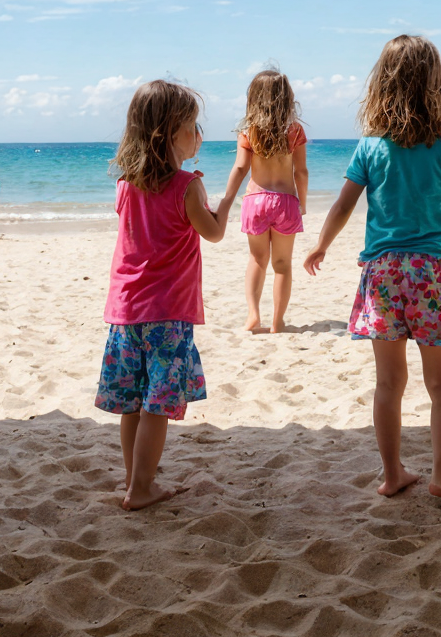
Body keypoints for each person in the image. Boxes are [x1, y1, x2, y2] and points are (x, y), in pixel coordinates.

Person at [303, 35, 441, 500]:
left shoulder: (370, 146)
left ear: (382, 85)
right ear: (436, 85)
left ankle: (392, 474)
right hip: (432, 274)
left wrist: (321, 245)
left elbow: (343, 205)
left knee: (388, 383)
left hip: (383, 274)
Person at [99, 80, 234, 510]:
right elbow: (212, 233)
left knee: (133, 402)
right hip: (168, 315)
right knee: (157, 404)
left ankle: (132, 480)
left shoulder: (125, 185)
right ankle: (142, 488)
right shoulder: (187, 185)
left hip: (126, 311)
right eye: (193, 126)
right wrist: (227, 201)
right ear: (169, 134)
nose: (199, 135)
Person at [221, 70, 310, 333]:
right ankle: (277, 321)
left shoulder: (249, 131)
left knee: (257, 259)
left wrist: (227, 199)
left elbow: (239, 168)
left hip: (256, 201)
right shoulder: (294, 131)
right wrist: (301, 202)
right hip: (285, 202)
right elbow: (301, 172)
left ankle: (253, 315)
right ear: (287, 99)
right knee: (282, 265)